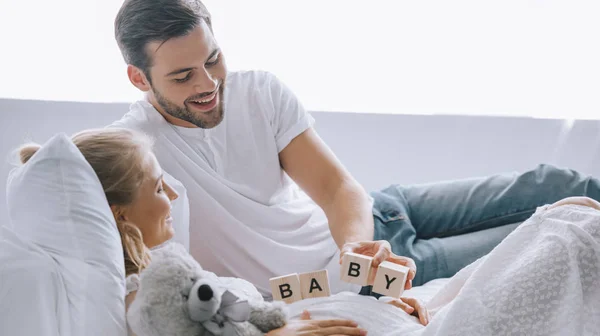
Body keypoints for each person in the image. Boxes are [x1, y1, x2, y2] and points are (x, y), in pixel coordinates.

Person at [110, 0, 600, 301]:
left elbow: (335, 187)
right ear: (138, 78)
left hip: (375, 217)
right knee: (564, 230)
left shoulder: (258, 91)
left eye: (213, 59)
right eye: (183, 76)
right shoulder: (136, 151)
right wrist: (354, 272)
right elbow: (57, 173)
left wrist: (352, 247)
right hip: (361, 280)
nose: (209, 83)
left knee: (560, 183)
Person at [16, 128, 429, 336]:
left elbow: (266, 299)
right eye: (159, 187)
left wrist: (366, 295)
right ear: (120, 213)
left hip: (351, 324)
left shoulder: (167, 267)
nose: (172, 198)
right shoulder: (145, 304)